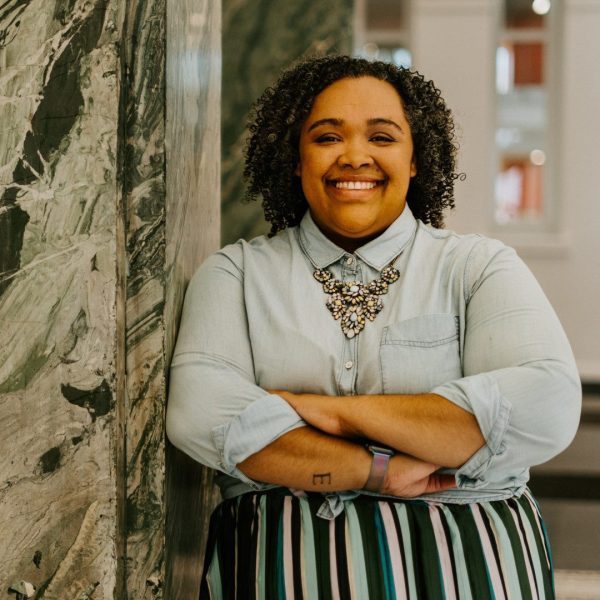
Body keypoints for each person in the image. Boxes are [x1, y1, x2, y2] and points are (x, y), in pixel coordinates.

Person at [166, 55, 581, 599]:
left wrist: (329, 411)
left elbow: (544, 404)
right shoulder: (236, 275)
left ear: (415, 160)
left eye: (382, 138)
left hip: (472, 567)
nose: (355, 156)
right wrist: (376, 469)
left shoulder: (479, 267)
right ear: (296, 158)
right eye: (326, 137)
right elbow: (201, 414)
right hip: (284, 570)